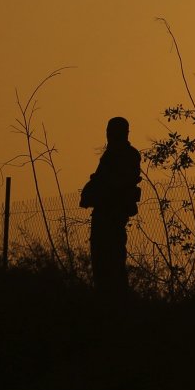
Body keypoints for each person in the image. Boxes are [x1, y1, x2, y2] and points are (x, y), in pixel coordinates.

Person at [81, 117, 142, 295]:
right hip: (104, 212)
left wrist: (102, 185)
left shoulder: (127, 154)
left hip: (113, 213)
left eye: (112, 131)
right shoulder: (112, 154)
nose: (109, 135)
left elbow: (119, 182)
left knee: (113, 259)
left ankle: (115, 299)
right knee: (100, 259)